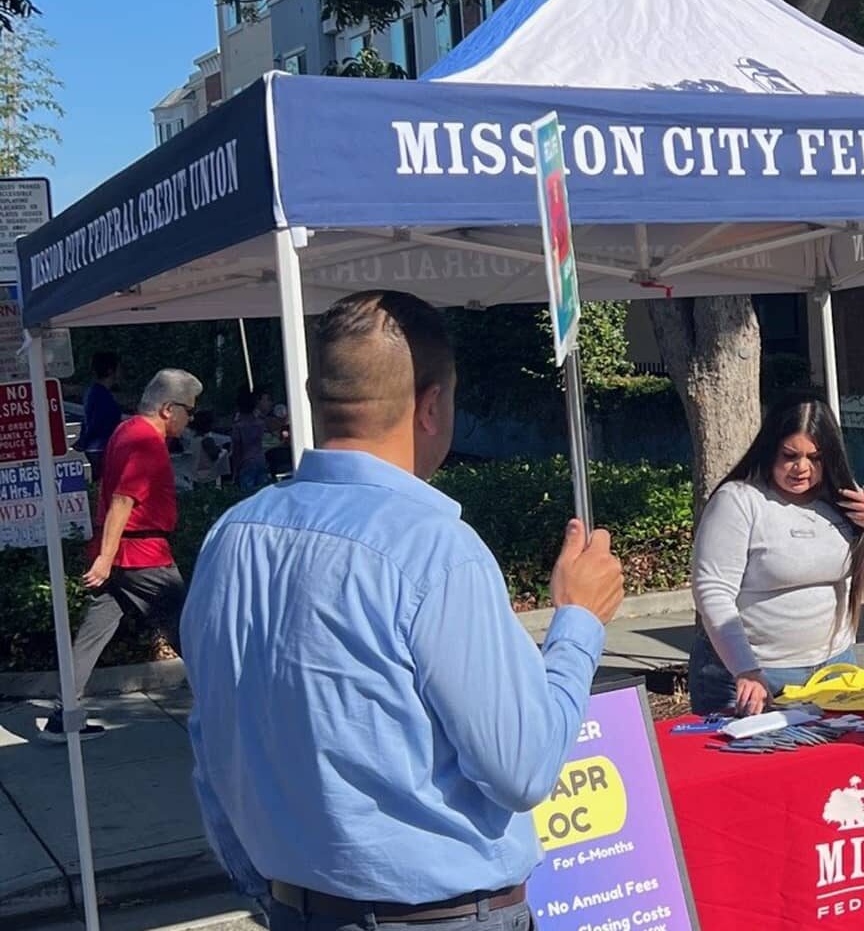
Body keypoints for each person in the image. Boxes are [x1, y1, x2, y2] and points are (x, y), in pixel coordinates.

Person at [180, 291, 625, 931]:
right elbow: (522, 768)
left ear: (314, 395)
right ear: (433, 405)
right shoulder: (433, 548)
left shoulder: (232, 536)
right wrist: (579, 619)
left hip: (298, 906)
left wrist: (269, 890)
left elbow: (212, 745)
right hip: (435, 915)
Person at [689, 395, 864, 716]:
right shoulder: (738, 500)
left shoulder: (844, 499)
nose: (801, 468)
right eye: (790, 455)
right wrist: (745, 669)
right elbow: (713, 592)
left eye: (815, 458)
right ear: (769, 450)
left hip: (833, 668)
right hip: (751, 675)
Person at [42, 368, 201, 741]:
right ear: (167, 408)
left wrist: (105, 555)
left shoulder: (125, 431)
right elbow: (122, 500)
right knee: (191, 629)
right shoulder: (146, 440)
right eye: (188, 411)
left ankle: (64, 716)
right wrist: (106, 558)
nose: (189, 418)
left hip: (120, 553)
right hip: (142, 554)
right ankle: (228, 710)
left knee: (93, 634)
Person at [76, 351, 122, 477]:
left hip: (96, 447)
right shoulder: (101, 395)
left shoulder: (93, 391)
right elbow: (97, 422)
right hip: (102, 447)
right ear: (111, 371)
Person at [229, 388, 272, 490]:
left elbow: (237, 449)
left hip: (246, 462)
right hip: (261, 459)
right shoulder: (260, 423)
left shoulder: (238, 426)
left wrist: (235, 471)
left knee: (247, 493)